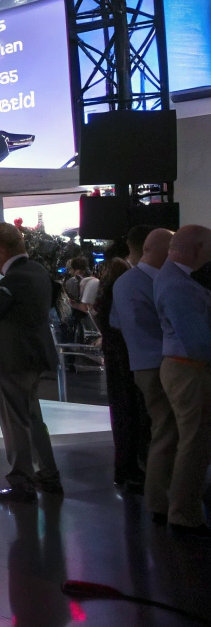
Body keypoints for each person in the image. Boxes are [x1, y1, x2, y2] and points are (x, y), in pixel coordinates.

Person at [0, 222, 62, 502]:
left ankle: (22, 482)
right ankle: (48, 475)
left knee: (15, 423)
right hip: (35, 357)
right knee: (33, 419)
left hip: (12, 360)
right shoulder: (38, 271)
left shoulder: (12, 279)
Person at [151, 224, 211, 539]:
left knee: (192, 441)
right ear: (197, 249)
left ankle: (178, 509)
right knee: (195, 443)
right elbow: (198, 341)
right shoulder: (178, 285)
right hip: (188, 369)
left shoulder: (177, 279)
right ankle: (184, 516)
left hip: (185, 368)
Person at [111, 227, 173, 517]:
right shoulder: (157, 282)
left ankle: (163, 495)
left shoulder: (124, 282)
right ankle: (164, 497)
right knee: (167, 430)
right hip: (161, 364)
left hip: (142, 363)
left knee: (161, 428)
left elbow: (115, 322)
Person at [93, 256, 149, 493]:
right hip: (129, 358)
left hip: (115, 358)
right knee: (134, 413)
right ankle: (133, 468)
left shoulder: (105, 296)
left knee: (121, 413)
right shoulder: (123, 293)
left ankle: (124, 468)